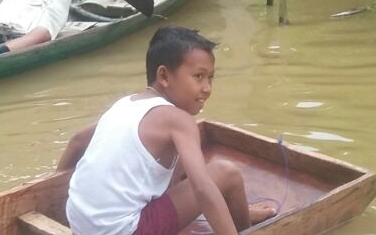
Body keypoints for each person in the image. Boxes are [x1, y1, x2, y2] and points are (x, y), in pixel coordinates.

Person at [57, 27, 277, 235]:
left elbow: (77, 141)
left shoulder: (125, 104)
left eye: (210, 78)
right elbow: (203, 189)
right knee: (226, 173)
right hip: (126, 230)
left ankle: (243, 211)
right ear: (164, 76)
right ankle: (243, 225)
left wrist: (56, 185)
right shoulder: (180, 121)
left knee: (180, 160)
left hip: (80, 223)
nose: (207, 88)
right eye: (198, 76)